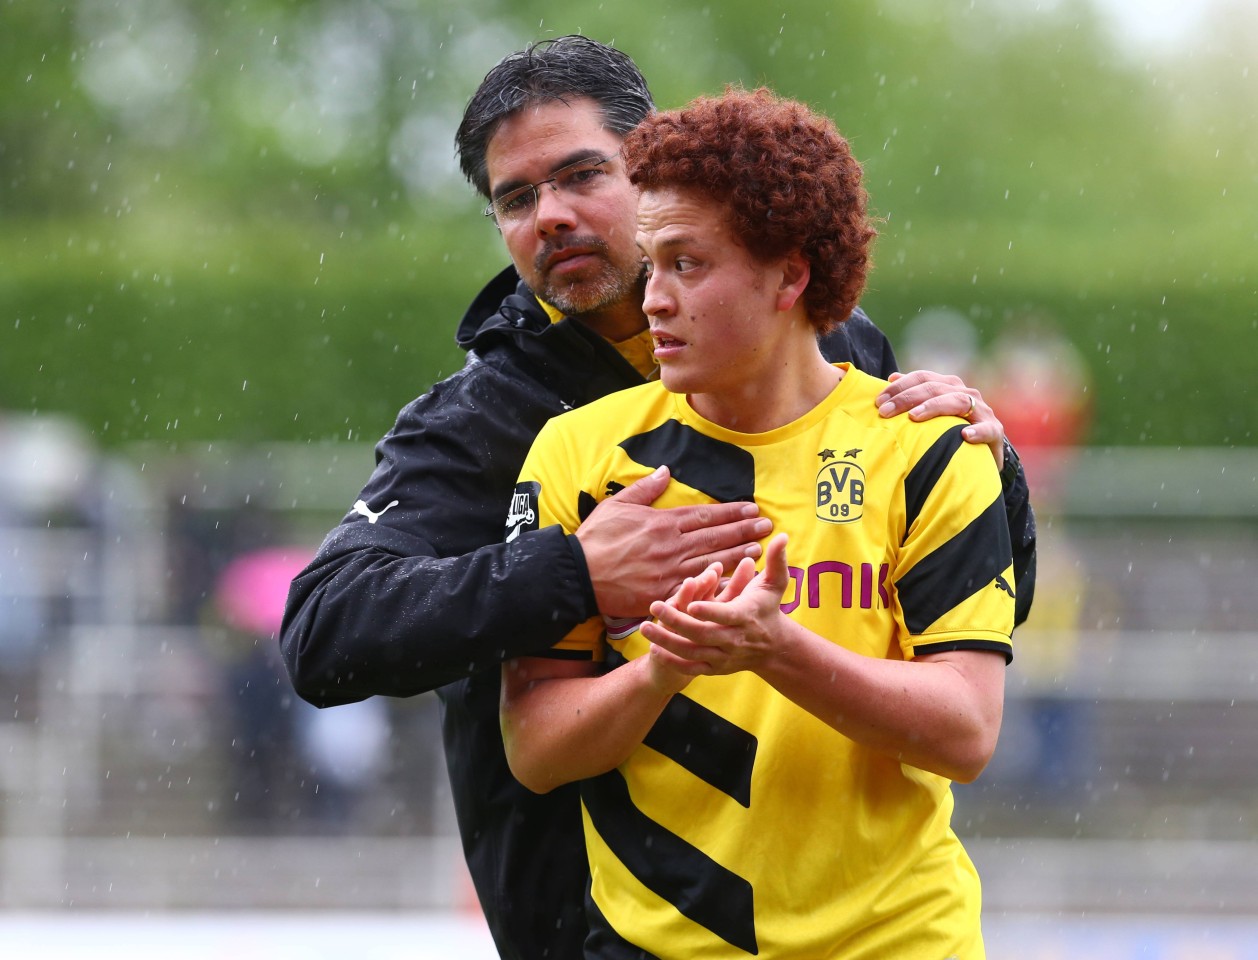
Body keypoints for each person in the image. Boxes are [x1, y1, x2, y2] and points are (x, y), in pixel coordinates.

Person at [280, 36, 1036, 960]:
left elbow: (966, 621)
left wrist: (991, 468)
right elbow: (324, 636)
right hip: (592, 924)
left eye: (579, 175)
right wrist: (572, 573)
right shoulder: (488, 422)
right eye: (514, 200)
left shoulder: (833, 343)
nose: (549, 216)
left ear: (653, 163)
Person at [501, 86, 1014, 959]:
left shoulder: (928, 447)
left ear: (791, 274)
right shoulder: (576, 455)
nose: (652, 299)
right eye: (651, 263)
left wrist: (776, 648)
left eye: (688, 265)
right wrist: (661, 669)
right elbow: (536, 749)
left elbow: (966, 732)